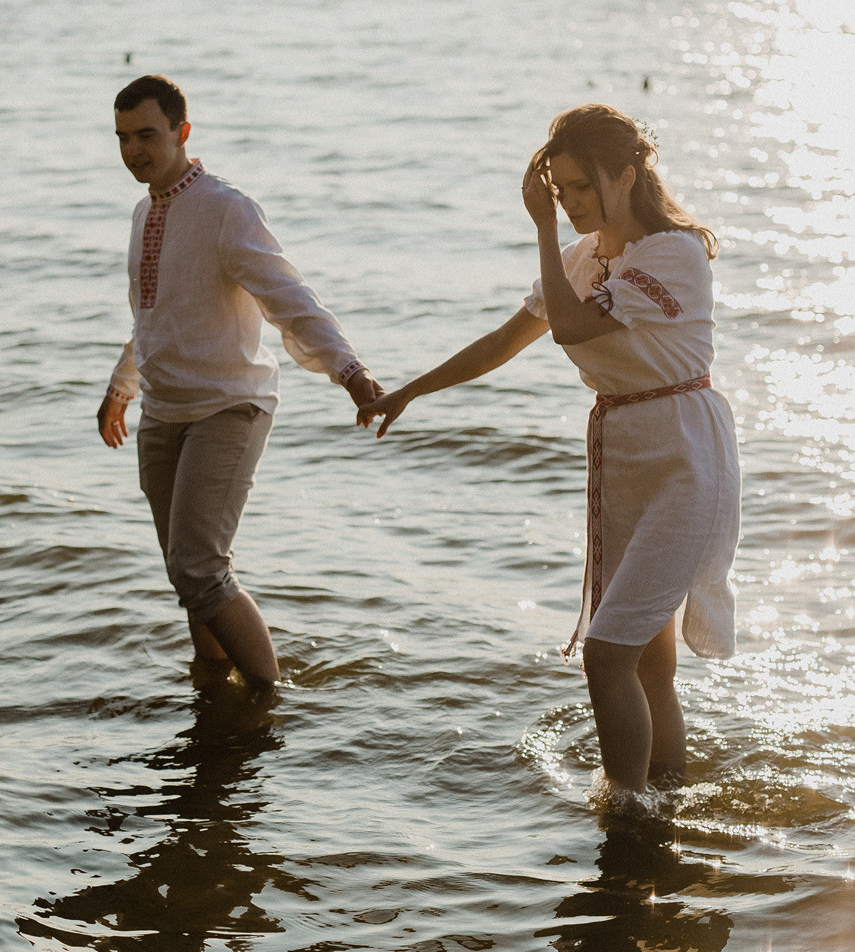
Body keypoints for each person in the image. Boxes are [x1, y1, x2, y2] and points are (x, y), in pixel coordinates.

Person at [358, 104, 739, 796]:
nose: (568, 205)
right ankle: (666, 796)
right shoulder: (583, 258)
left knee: (605, 653)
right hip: (624, 456)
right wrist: (410, 390)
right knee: (645, 659)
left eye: (582, 188)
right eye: (558, 192)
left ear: (627, 176)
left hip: (685, 459)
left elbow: (570, 327)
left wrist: (536, 228)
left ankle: (624, 811)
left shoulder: (671, 254)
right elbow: (504, 343)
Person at [98, 75, 382, 689]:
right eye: (122, 138)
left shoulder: (226, 208)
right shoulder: (144, 211)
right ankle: (211, 676)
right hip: (164, 412)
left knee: (200, 566)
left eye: (147, 135)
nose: (133, 151)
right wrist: (122, 386)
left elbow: (289, 297)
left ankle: (266, 698)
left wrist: (351, 372)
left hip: (230, 407)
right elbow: (151, 313)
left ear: (183, 132)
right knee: (185, 571)